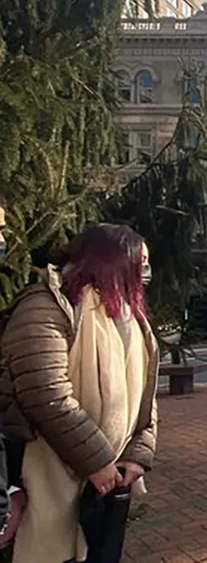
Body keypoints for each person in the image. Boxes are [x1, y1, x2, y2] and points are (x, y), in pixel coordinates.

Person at [0, 223, 159, 562]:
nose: (145, 272)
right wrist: (98, 461)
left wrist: (137, 452)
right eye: (139, 262)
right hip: (48, 474)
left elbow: (146, 394)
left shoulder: (130, 316)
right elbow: (44, 393)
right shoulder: (47, 306)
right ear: (111, 261)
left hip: (104, 484)